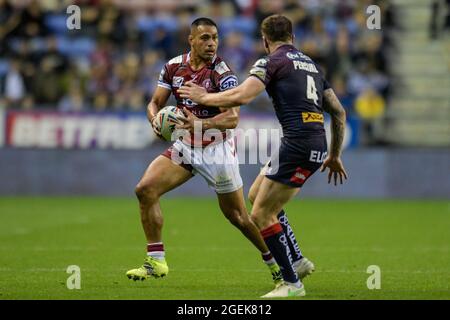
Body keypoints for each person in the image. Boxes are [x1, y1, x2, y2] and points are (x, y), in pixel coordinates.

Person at [126, 17, 311, 287]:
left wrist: (199, 124)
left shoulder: (222, 74)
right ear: (191, 40)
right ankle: (156, 260)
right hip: (185, 146)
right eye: (205, 38)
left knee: (238, 217)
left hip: (217, 149)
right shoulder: (173, 67)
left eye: (214, 38)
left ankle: (274, 264)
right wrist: (154, 120)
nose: (211, 43)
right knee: (145, 189)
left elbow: (232, 119)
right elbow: (154, 102)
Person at [178, 14, 348, 298]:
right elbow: (339, 112)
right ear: (292, 38)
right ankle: (297, 259)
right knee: (257, 194)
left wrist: (204, 98)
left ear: (264, 40)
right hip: (310, 142)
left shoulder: (271, 62)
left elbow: (243, 96)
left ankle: (292, 283)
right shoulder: (312, 65)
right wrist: (334, 155)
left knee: (259, 214)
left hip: (298, 145)